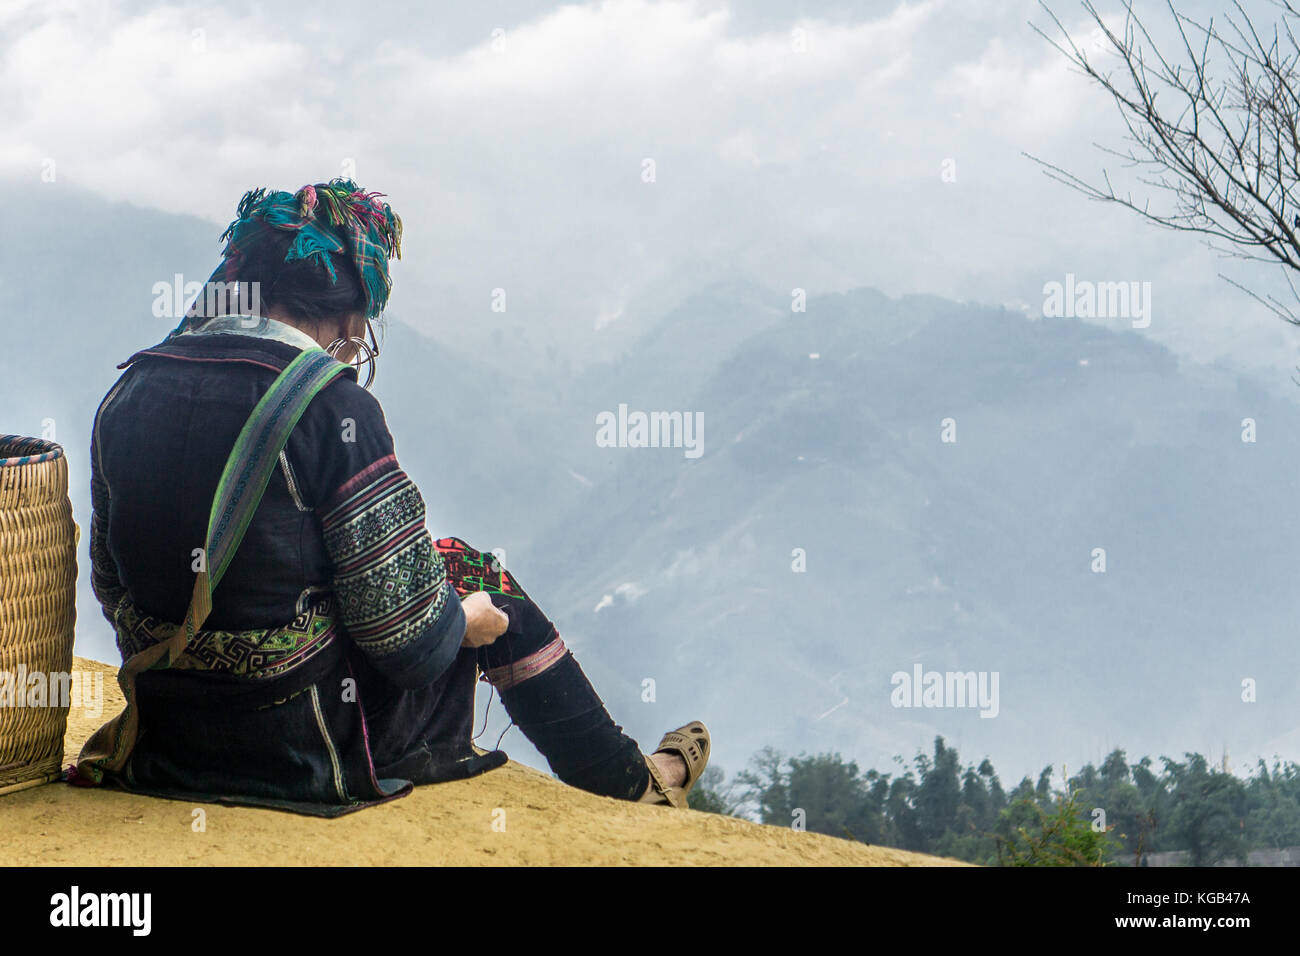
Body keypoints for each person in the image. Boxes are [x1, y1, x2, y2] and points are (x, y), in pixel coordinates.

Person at [75, 179, 709, 816]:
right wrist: (470, 621)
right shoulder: (331, 407)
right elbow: (405, 644)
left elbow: (111, 583)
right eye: (361, 335)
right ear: (352, 317)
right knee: (473, 575)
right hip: (300, 742)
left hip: (170, 729)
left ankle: (630, 774)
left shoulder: (130, 390)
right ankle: (634, 783)